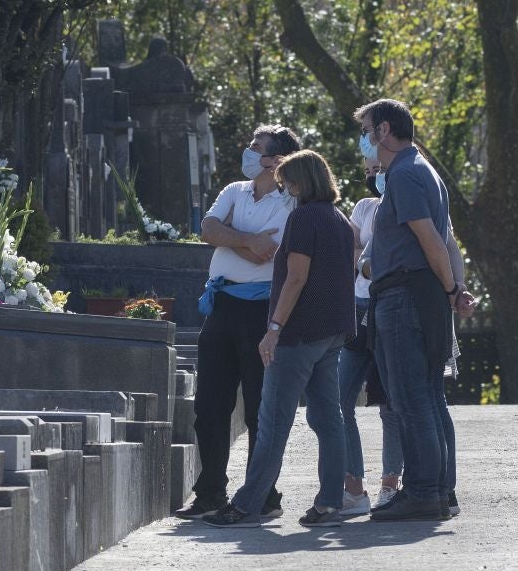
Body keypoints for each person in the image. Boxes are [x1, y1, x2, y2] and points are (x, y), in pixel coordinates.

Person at [203, 150, 357, 528]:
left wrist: (273, 329)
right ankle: (331, 503)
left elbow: (296, 278)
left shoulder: (303, 218)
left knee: (273, 421)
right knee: (328, 417)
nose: (284, 189)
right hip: (333, 330)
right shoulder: (339, 219)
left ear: (302, 182)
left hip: (299, 333)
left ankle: (246, 504)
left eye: (288, 182)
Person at [354, 99, 476, 522]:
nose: (364, 140)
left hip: (405, 296)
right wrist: (450, 289)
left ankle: (424, 491)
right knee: (427, 397)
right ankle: (439, 490)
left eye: (367, 130)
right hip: (415, 293)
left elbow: (430, 239)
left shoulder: (404, 174)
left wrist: (448, 289)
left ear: (384, 131)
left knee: (410, 398)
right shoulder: (421, 170)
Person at [173, 125, 302, 519]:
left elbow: (271, 252)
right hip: (221, 305)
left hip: (263, 310)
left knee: (259, 408)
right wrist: (245, 240)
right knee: (210, 404)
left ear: (275, 159)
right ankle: (210, 492)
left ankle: (261, 494)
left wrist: (232, 239)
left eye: (256, 147)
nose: (248, 152)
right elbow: (208, 230)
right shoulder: (234, 191)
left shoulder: (291, 202)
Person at [338, 157, 403, 515]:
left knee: (389, 404)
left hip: (391, 306)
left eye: (377, 169)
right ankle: (353, 488)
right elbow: (352, 251)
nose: (372, 176)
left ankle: (390, 484)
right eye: (366, 171)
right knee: (339, 399)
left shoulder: (408, 204)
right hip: (359, 307)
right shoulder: (364, 206)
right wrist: (364, 262)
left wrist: (364, 260)